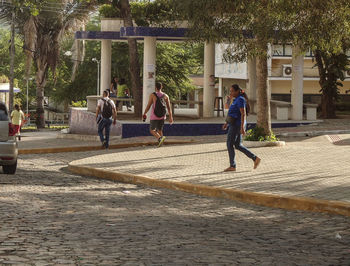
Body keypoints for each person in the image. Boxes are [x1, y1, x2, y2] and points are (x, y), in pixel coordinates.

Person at [222, 84, 261, 172]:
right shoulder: (235, 100)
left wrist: (242, 127)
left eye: (232, 91)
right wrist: (226, 123)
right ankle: (255, 158)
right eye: (230, 91)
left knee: (229, 144)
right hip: (233, 124)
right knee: (238, 145)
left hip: (236, 125)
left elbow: (243, 114)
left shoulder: (240, 99)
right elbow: (229, 110)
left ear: (237, 91)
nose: (230, 92)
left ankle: (232, 165)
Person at [142, 82, 173, 147]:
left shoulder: (153, 95)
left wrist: (144, 113)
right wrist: (170, 117)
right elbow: (169, 107)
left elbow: (149, 105)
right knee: (160, 130)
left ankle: (160, 138)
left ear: (155, 87)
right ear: (161, 87)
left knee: (152, 130)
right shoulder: (166, 96)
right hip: (162, 116)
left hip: (154, 116)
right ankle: (161, 143)